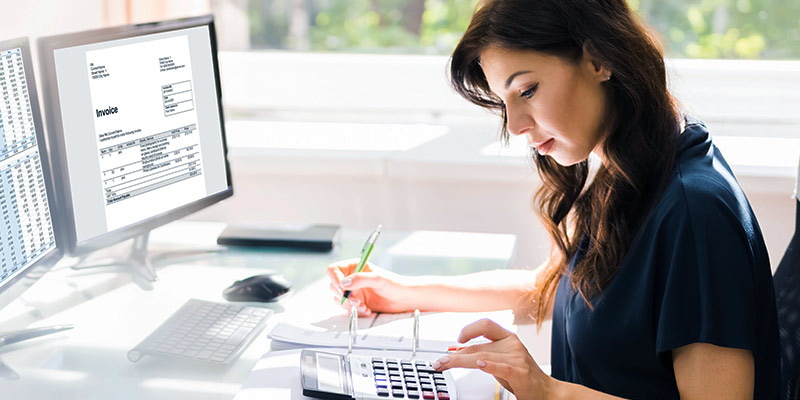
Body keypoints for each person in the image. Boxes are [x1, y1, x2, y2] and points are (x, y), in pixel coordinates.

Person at [326, 0, 781, 398]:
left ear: (600, 58)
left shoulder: (694, 213)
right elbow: (562, 292)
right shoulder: (631, 165)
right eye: (504, 104)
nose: (517, 125)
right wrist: (406, 293)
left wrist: (545, 391)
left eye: (528, 90)